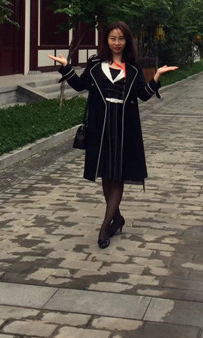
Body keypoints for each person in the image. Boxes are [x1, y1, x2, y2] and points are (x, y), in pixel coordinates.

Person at [49, 21, 178, 249]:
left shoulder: (133, 68)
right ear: (106, 40)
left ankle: (104, 227)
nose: (117, 43)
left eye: (121, 39)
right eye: (112, 38)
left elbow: (143, 95)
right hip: (100, 127)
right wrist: (66, 67)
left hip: (124, 128)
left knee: (117, 176)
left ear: (127, 41)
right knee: (106, 176)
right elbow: (80, 85)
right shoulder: (95, 64)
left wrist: (157, 76)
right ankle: (117, 218)